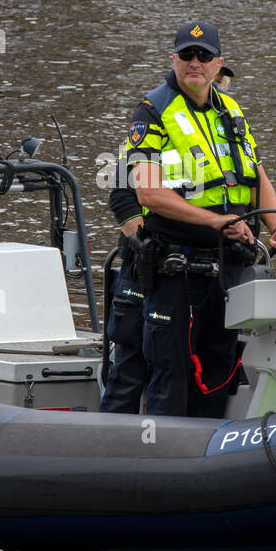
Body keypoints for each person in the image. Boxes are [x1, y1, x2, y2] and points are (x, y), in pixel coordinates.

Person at [124, 22, 276, 418]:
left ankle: (211, 461)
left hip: (228, 266)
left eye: (204, 55)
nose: (195, 62)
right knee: (171, 373)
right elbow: (148, 193)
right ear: (173, 59)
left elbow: (256, 174)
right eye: (187, 54)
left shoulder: (231, 110)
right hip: (175, 268)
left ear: (219, 64)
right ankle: (161, 465)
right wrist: (216, 221)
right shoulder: (151, 111)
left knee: (218, 370)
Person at [100, 62, 242, 414]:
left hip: (194, 272)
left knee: (189, 368)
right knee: (131, 368)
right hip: (145, 270)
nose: (221, 89)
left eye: (222, 83)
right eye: (221, 83)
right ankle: (107, 451)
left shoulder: (218, 134)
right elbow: (122, 196)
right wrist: (147, 243)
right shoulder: (153, 126)